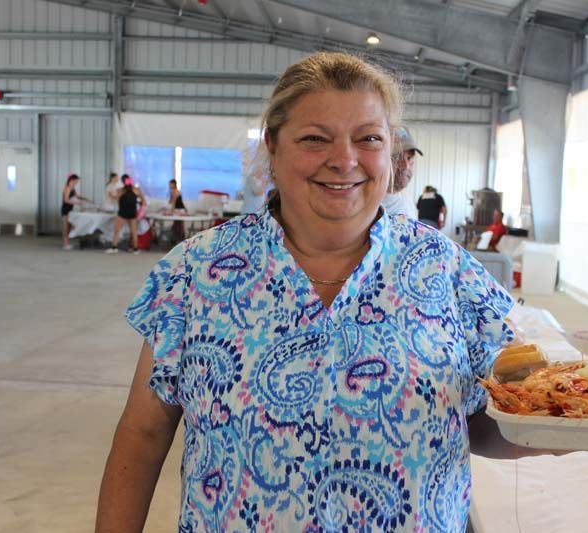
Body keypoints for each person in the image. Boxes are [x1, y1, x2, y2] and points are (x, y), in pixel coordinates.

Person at [96, 51, 514, 532]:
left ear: (391, 153)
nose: (344, 160)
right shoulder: (195, 272)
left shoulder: (446, 270)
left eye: (368, 139)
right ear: (273, 147)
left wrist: (573, 426)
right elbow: (144, 433)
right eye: (316, 139)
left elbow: (489, 421)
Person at [381, 125, 421, 218]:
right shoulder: (365, 205)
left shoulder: (407, 200)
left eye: (409, 158)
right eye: (397, 158)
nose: (406, 166)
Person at [107, 175, 144, 255]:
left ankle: (114, 247)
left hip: (122, 213)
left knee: (117, 230)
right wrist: (140, 208)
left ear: (123, 182)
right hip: (132, 213)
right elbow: (143, 201)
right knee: (134, 231)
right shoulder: (136, 190)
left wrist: (110, 195)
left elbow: (116, 199)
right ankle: (135, 249)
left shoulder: (121, 190)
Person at [60, 173, 90, 251]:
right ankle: (65, 244)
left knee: (69, 226)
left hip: (70, 209)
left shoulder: (73, 188)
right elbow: (66, 200)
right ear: (72, 180)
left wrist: (85, 199)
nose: (77, 183)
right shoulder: (67, 188)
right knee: (65, 227)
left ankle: (67, 242)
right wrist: (77, 203)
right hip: (65, 209)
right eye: (76, 181)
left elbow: (77, 196)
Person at [241, 146, 271, 214]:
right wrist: (264, 183)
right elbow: (258, 193)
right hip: (250, 212)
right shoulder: (251, 179)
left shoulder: (257, 180)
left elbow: (263, 195)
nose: (263, 172)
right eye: (261, 169)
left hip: (257, 211)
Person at [167, 179, 186, 243]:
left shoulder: (175, 192)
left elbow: (174, 202)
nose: (169, 185)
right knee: (178, 225)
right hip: (180, 209)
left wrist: (171, 211)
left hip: (179, 210)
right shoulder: (175, 191)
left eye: (170, 184)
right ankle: (179, 239)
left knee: (178, 225)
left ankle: (179, 240)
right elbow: (171, 201)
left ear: (174, 184)